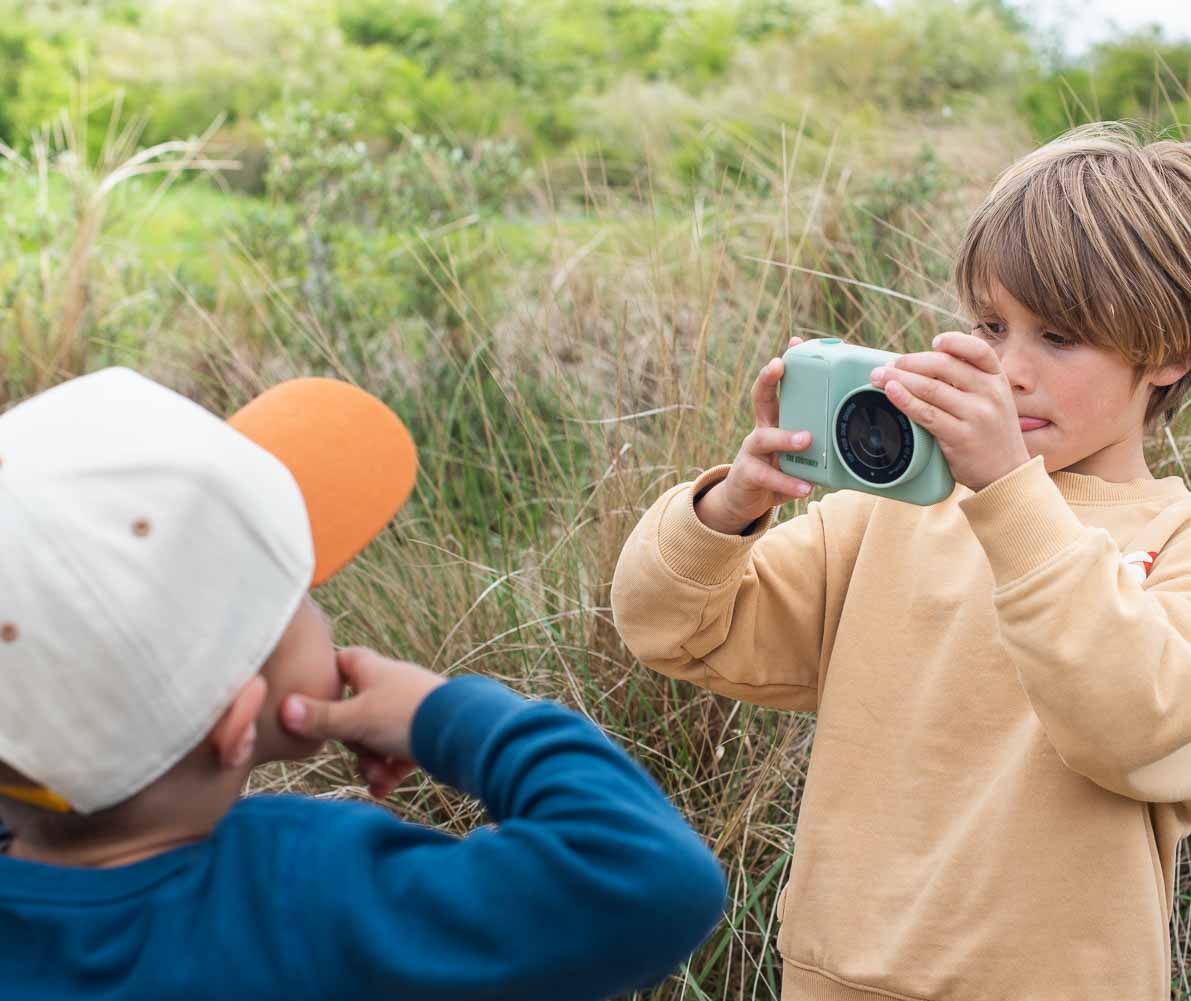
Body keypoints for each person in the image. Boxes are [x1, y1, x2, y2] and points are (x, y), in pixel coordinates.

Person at [610, 121, 1191, 1000]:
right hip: (834, 980)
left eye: (1059, 337)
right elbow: (670, 628)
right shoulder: (894, 512)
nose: (1008, 369)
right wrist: (729, 507)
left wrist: (1008, 492)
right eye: (991, 325)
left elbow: (1129, 718)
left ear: (1170, 353)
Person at [0, 366, 726, 999]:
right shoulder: (306, 898)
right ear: (234, 725)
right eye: (303, 597)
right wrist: (445, 715)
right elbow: (653, 875)